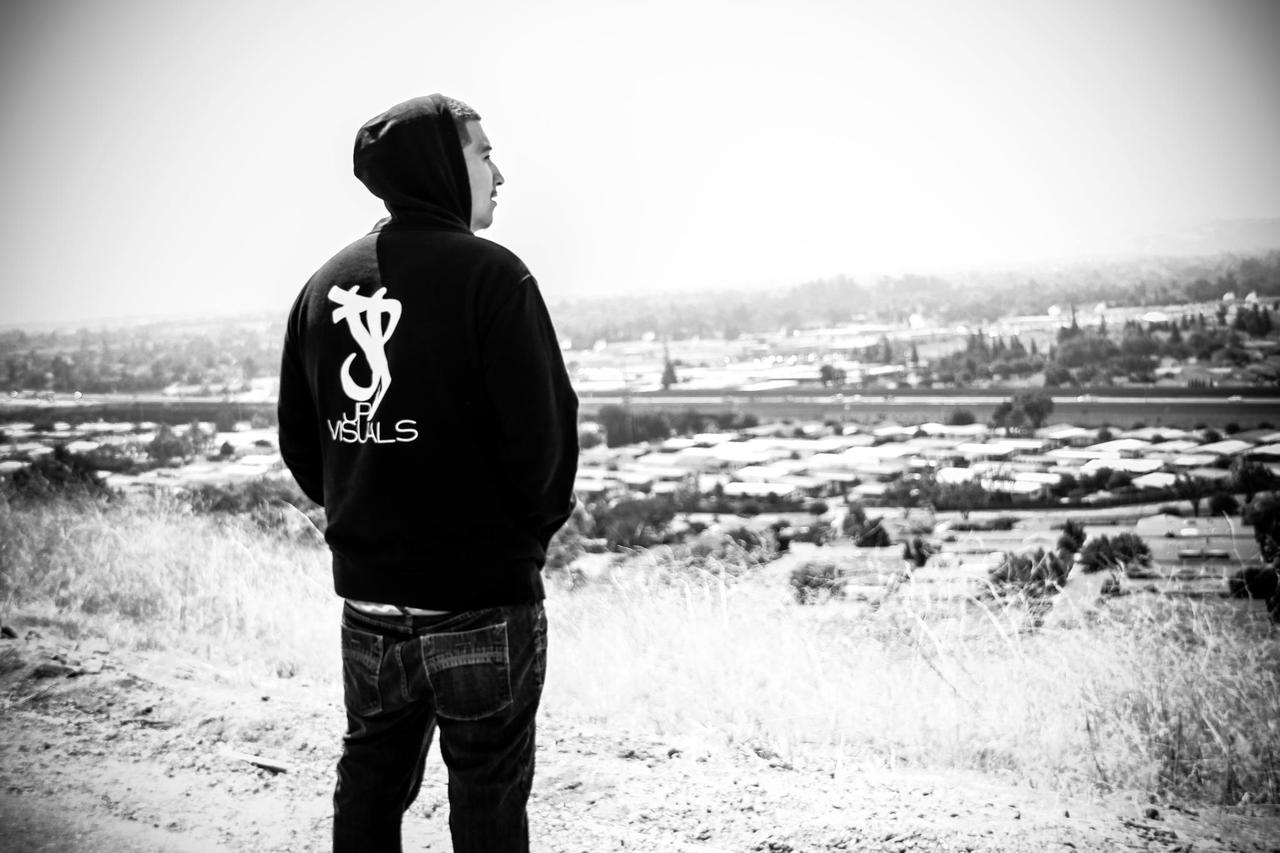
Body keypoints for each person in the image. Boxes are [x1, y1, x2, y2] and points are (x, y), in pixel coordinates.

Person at [277, 94, 578, 853]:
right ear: (442, 163)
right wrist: (516, 547)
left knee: (369, 781)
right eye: (483, 154)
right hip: (480, 599)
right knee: (487, 792)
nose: (500, 175)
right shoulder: (492, 276)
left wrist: (369, 527)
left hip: (369, 602)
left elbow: (304, 449)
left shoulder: (322, 286)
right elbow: (544, 443)